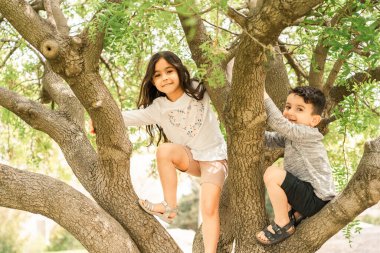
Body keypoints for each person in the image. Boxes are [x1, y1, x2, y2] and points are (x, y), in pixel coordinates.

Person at [122, 51, 227, 253]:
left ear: (179, 70)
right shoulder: (159, 107)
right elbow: (131, 117)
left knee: (208, 208)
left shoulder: (198, 90)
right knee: (164, 150)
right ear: (152, 82)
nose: (164, 78)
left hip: (216, 158)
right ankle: (169, 207)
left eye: (169, 71)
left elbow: (223, 73)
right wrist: (98, 120)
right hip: (191, 159)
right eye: (158, 75)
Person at [255, 86, 336, 245]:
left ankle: (283, 223)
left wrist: (261, 93)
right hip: (308, 196)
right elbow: (269, 139)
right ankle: (293, 214)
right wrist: (242, 129)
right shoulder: (292, 136)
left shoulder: (306, 134)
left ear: (314, 120)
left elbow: (279, 123)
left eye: (299, 109)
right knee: (277, 175)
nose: (290, 112)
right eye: (288, 107)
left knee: (272, 174)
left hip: (316, 198)